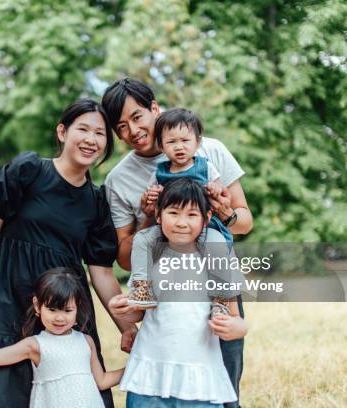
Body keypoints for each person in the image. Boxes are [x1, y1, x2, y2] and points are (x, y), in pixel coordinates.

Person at [0, 98, 135, 407]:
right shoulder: (29, 171)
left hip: (65, 301)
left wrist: (128, 327)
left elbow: (101, 272)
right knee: (8, 382)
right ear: (62, 132)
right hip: (9, 296)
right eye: (83, 129)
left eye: (100, 133)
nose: (91, 140)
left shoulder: (96, 201)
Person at [101, 78, 253, 407]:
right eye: (121, 127)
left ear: (155, 108)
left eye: (138, 116)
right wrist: (147, 215)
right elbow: (126, 257)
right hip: (162, 287)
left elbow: (244, 223)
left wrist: (221, 210)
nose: (133, 131)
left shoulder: (208, 149)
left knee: (224, 382)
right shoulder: (118, 180)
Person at [109, 178, 247, 407]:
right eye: (174, 212)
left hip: (200, 378)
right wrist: (121, 310)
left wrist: (234, 328)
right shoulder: (149, 252)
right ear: (159, 215)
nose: (182, 223)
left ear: (206, 219)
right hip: (150, 373)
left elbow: (237, 321)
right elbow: (139, 312)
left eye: (192, 215)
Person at [0, 268, 125, 408]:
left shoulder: (86, 341)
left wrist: (136, 367)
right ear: (38, 306)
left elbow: (102, 381)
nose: (60, 318)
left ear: (77, 308)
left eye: (67, 310)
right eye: (52, 309)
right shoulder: (36, 345)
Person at [127, 108, 233, 312]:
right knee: (141, 239)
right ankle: (142, 288)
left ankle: (220, 300)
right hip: (170, 230)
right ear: (161, 145)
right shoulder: (160, 173)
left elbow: (221, 190)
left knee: (217, 242)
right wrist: (151, 198)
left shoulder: (205, 167)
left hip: (203, 226)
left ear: (198, 142)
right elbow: (153, 199)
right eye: (171, 142)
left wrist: (216, 189)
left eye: (185, 141)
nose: (179, 147)